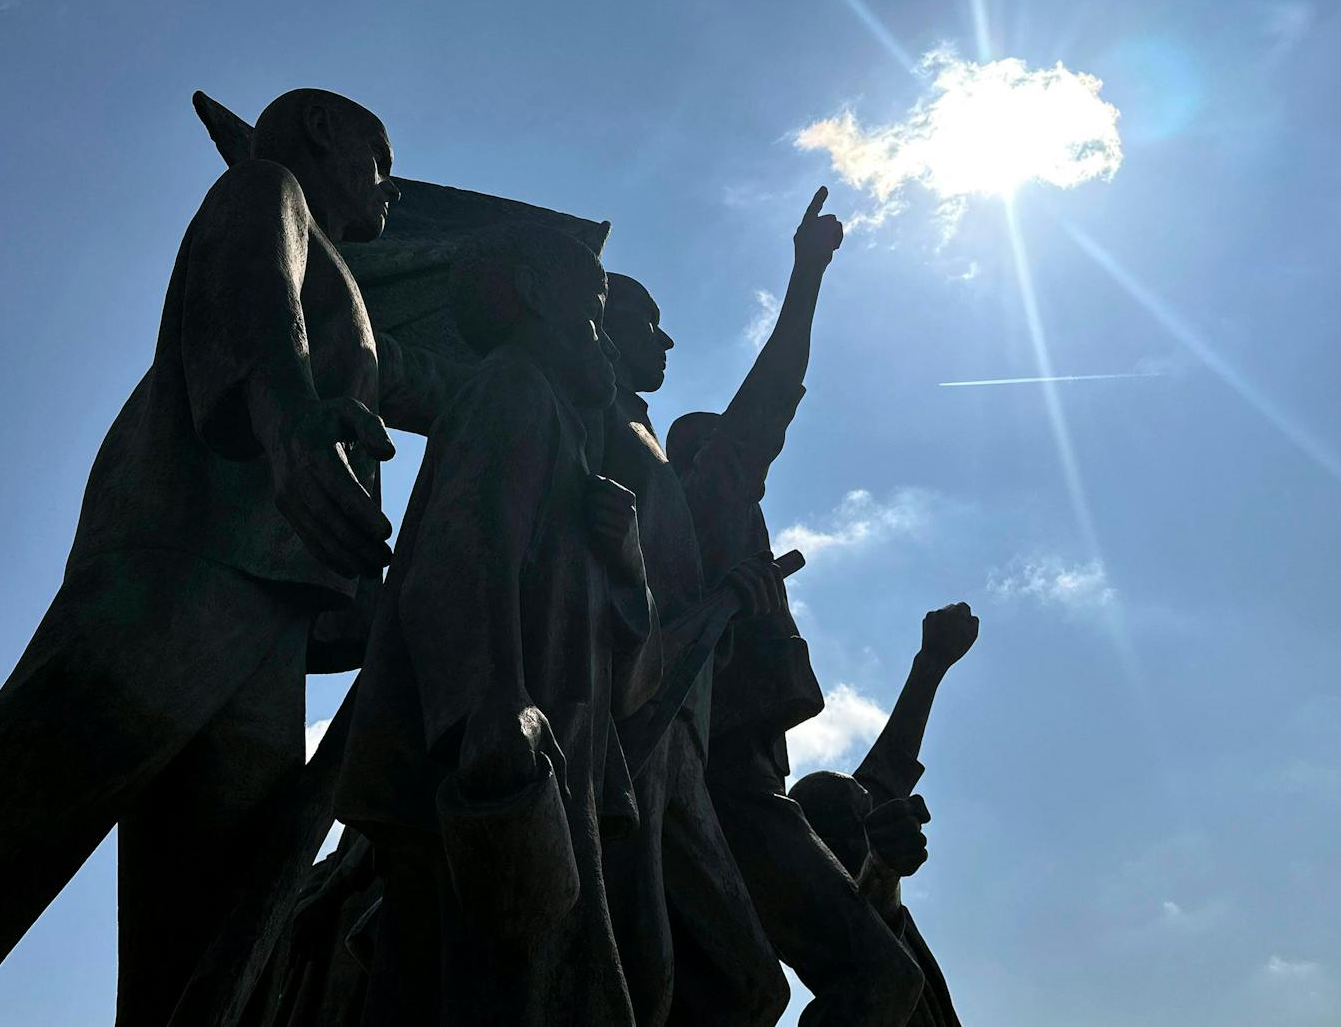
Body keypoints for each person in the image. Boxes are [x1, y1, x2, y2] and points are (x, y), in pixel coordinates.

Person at [0, 89, 463, 1027]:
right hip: (182, 573)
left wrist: (561, 384)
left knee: (205, 950)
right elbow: (254, 297)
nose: (392, 187)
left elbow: (436, 388)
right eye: (381, 155)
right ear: (323, 131)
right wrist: (287, 422)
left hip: (270, 618)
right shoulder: (264, 192)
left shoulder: (349, 288)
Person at [336, 224, 663, 1027]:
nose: (606, 339)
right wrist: (494, 700)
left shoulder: (567, 431)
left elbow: (628, 665)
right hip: (500, 781)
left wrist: (626, 560)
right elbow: (453, 566)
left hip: (556, 784)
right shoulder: (511, 387)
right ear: (534, 293)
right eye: (593, 309)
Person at [665, 188, 925, 1027]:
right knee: (878, 980)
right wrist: (807, 274)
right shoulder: (707, 496)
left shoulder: (696, 539)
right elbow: (772, 392)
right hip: (723, 779)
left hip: (731, 772)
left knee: (736, 991)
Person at [599, 271, 790, 1027]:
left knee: (723, 982)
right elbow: (762, 414)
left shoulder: (639, 447)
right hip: (616, 720)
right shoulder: (595, 421)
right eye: (649, 321)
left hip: (670, 726)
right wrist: (805, 276)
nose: (668, 338)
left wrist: (728, 596)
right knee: (652, 975)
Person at [790, 602, 980, 1027]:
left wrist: (930, 664)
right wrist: (881, 869)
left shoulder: (890, 927)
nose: (879, 813)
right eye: (863, 820)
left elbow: (888, 768)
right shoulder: (850, 991)